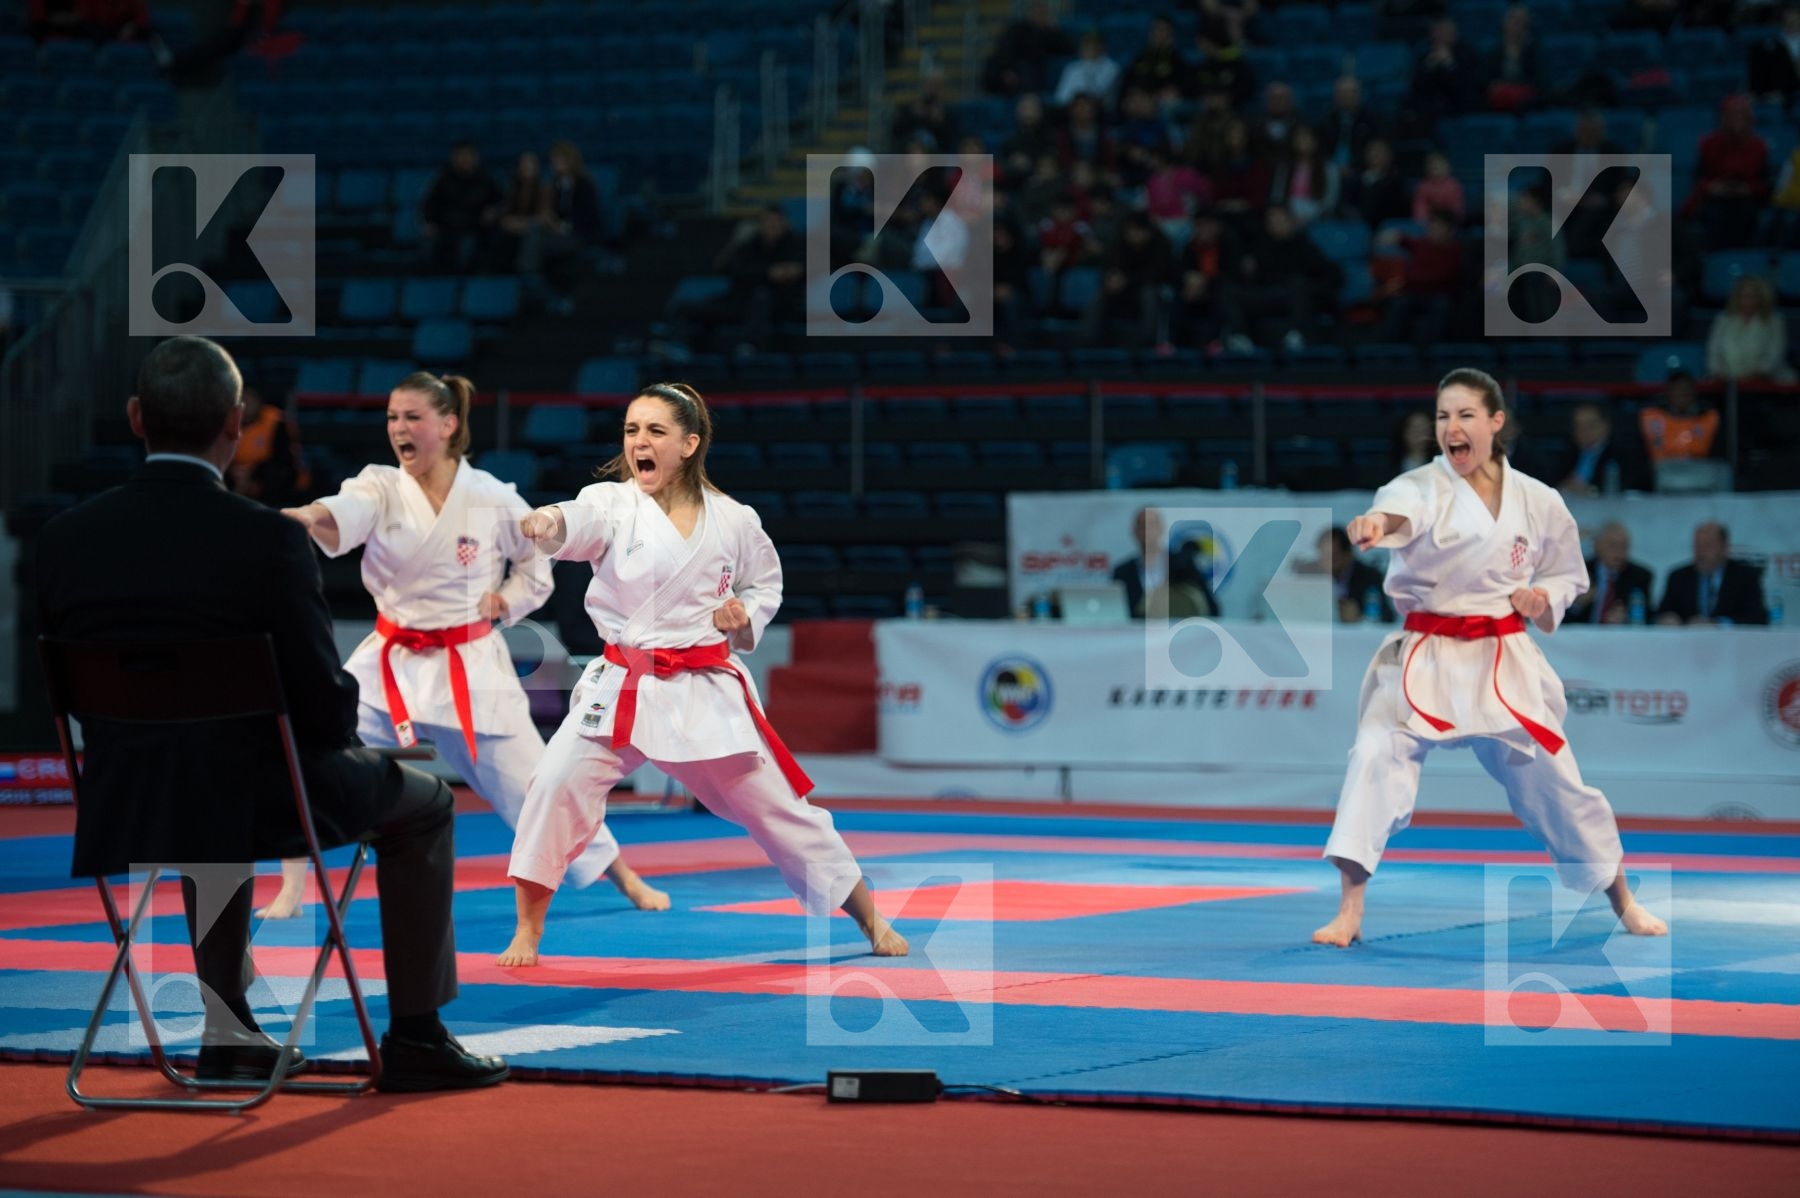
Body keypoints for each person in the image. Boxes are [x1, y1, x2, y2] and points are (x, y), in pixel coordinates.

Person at [36, 336, 508, 1091]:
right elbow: (322, 709)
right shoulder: (267, 541)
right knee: (426, 806)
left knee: (198, 787)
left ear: (134, 418)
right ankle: (418, 1035)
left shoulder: (62, 541)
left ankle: (229, 1034)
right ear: (233, 422)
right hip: (262, 793)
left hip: (127, 797)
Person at [497, 383, 909, 966]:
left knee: (780, 809)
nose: (639, 442)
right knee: (555, 783)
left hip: (704, 689)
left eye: (655, 432)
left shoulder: (735, 519)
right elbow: (576, 520)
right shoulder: (612, 503)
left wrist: (743, 618)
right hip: (625, 683)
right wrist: (547, 522)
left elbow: (764, 584)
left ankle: (871, 918)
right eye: (632, 430)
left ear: (689, 444)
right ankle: (527, 932)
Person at [265, 372, 667, 925]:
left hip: (470, 665)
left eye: (412, 418)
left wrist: (507, 599)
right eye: (391, 418)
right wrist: (302, 518)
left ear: (448, 425)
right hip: (391, 662)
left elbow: (536, 565)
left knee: (539, 786)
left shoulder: (491, 497)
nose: (398, 429)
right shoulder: (380, 486)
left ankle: (624, 875)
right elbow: (339, 510)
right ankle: (291, 886)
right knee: (308, 751)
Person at [1312, 367, 1666, 947]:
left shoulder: (1539, 499)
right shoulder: (1420, 485)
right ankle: (1350, 910)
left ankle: (1622, 898)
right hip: (1425, 656)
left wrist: (1542, 596)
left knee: (1558, 782)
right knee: (1373, 754)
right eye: (1443, 416)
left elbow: (1565, 574)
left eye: (1465, 415)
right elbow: (1400, 513)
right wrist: (1377, 523)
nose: (1451, 427)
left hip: (1502, 658)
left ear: (1496, 423)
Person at [1111, 507, 1219, 620]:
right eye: (1142, 525)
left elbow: (1211, 607)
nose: (1146, 530)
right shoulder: (1122, 572)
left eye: (1151, 525)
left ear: (1161, 528)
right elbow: (1114, 614)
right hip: (1136, 635)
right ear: (1134, 531)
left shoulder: (1183, 565)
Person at [1655, 521, 1769, 626]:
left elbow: (1758, 618)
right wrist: (1666, 619)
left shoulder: (1745, 577)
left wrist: (1718, 624)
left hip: (1732, 644)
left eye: (1707, 546)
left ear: (1724, 548)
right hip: (1687, 644)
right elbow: (1662, 612)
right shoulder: (1678, 577)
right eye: (1697, 546)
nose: (1700, 552)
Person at [229, 384, 309, 508]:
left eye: (250, 399)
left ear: (259, 401)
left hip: (270, 481)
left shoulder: (277, 423)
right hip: (236, 480)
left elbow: (284, 460)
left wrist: (254, 476)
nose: (246, 404)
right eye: (242, 399)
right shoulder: (227, 422)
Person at [1707, 275, 1795, 383]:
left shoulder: (1775, 321)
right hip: (1727, 381)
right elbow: (1713, 353)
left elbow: (1775, 356)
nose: (1748, 299)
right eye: (1744, 295)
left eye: (1753, 295)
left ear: (1762, 297)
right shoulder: (1723, 320)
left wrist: (1754, 376)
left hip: (1767, 382)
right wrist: (1720, 374)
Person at [1554, 401, 1650, 495]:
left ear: (1605, 426)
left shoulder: (1623, 453)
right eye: (1578, 426)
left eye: (1590, 425)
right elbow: (1553, 482)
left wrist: (1592, 490)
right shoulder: (1568, 453)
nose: (1584, 431)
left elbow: (1632, 485)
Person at [1567, 521, 1652, 626]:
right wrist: (1577, 605)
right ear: (1597, 546)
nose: (1619, 552)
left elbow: (1649, 618)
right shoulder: (1578, 571)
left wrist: (1627, 619)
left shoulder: (1640, 576)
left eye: (1624, 547)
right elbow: (1558, 619)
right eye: (1613, 545)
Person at [1311, 525, 1393, 623]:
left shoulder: (1370, 576)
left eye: (1332, 557)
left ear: (1348, 554)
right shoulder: (1310, 574)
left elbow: (1387, 617)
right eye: (1323, 556)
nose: (1326, 563)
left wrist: (1360, 617)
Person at [1638, 370, 1720, 465]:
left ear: (1694, 393)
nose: (1682, 394)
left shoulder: (1709, 418)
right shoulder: (1651, 418)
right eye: (1677, 390)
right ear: (1668, 393)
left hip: (1698, 471)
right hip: (1662, 472)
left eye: (1686, 390)